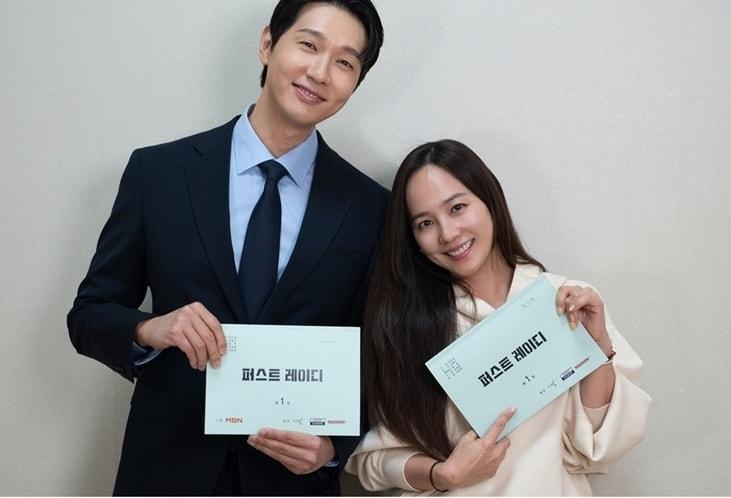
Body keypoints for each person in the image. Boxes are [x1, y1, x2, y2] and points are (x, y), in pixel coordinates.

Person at [67, 1, 386, 495]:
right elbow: (88, 314)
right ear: (267, 44)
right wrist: (152, 327)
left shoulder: (370, 207)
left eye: (344, 62)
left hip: (289, 481)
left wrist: (334, 447)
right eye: (308, 44)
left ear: (356, 82)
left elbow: (381, 352)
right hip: (166, 467)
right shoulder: (159, 174)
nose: (320, 72)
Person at [345, 140, 651, 495]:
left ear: (489, 199)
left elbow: (598, 447)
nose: (448, 233)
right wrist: (442, 475)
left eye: (457, 208)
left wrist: (596, 346)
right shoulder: (406, 326)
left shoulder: (566, 300)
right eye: (425, 223)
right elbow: (375, 460)